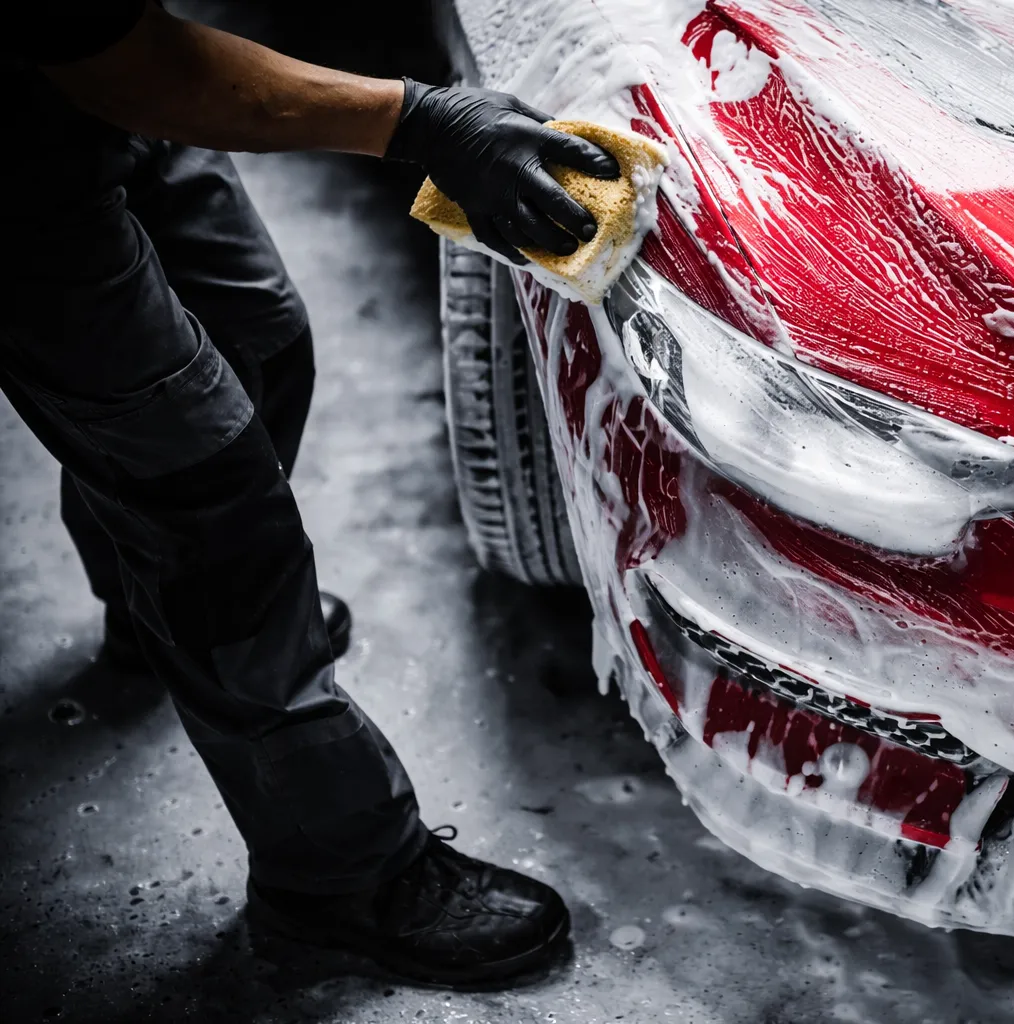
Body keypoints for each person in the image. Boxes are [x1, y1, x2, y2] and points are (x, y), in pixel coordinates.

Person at [1, 0, 617, 988]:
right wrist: (421, 122)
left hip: (91, 70)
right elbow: (135, 67)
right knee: (210, 503)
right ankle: (336, 877)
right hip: (25, 163)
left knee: (256, 334)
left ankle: (147, 616)